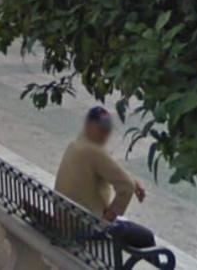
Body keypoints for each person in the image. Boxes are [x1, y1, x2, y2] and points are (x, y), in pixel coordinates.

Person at [54, 106, 155, 248]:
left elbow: (110, 169)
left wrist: (133, 180)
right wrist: (109, 218)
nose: (105, 134)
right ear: (89, 126)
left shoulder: (76, 144)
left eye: (107, 130)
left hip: (66, 222)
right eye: (101, 129)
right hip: (85, 228)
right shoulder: (94, 151)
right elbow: (127, 187)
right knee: (146, 237)